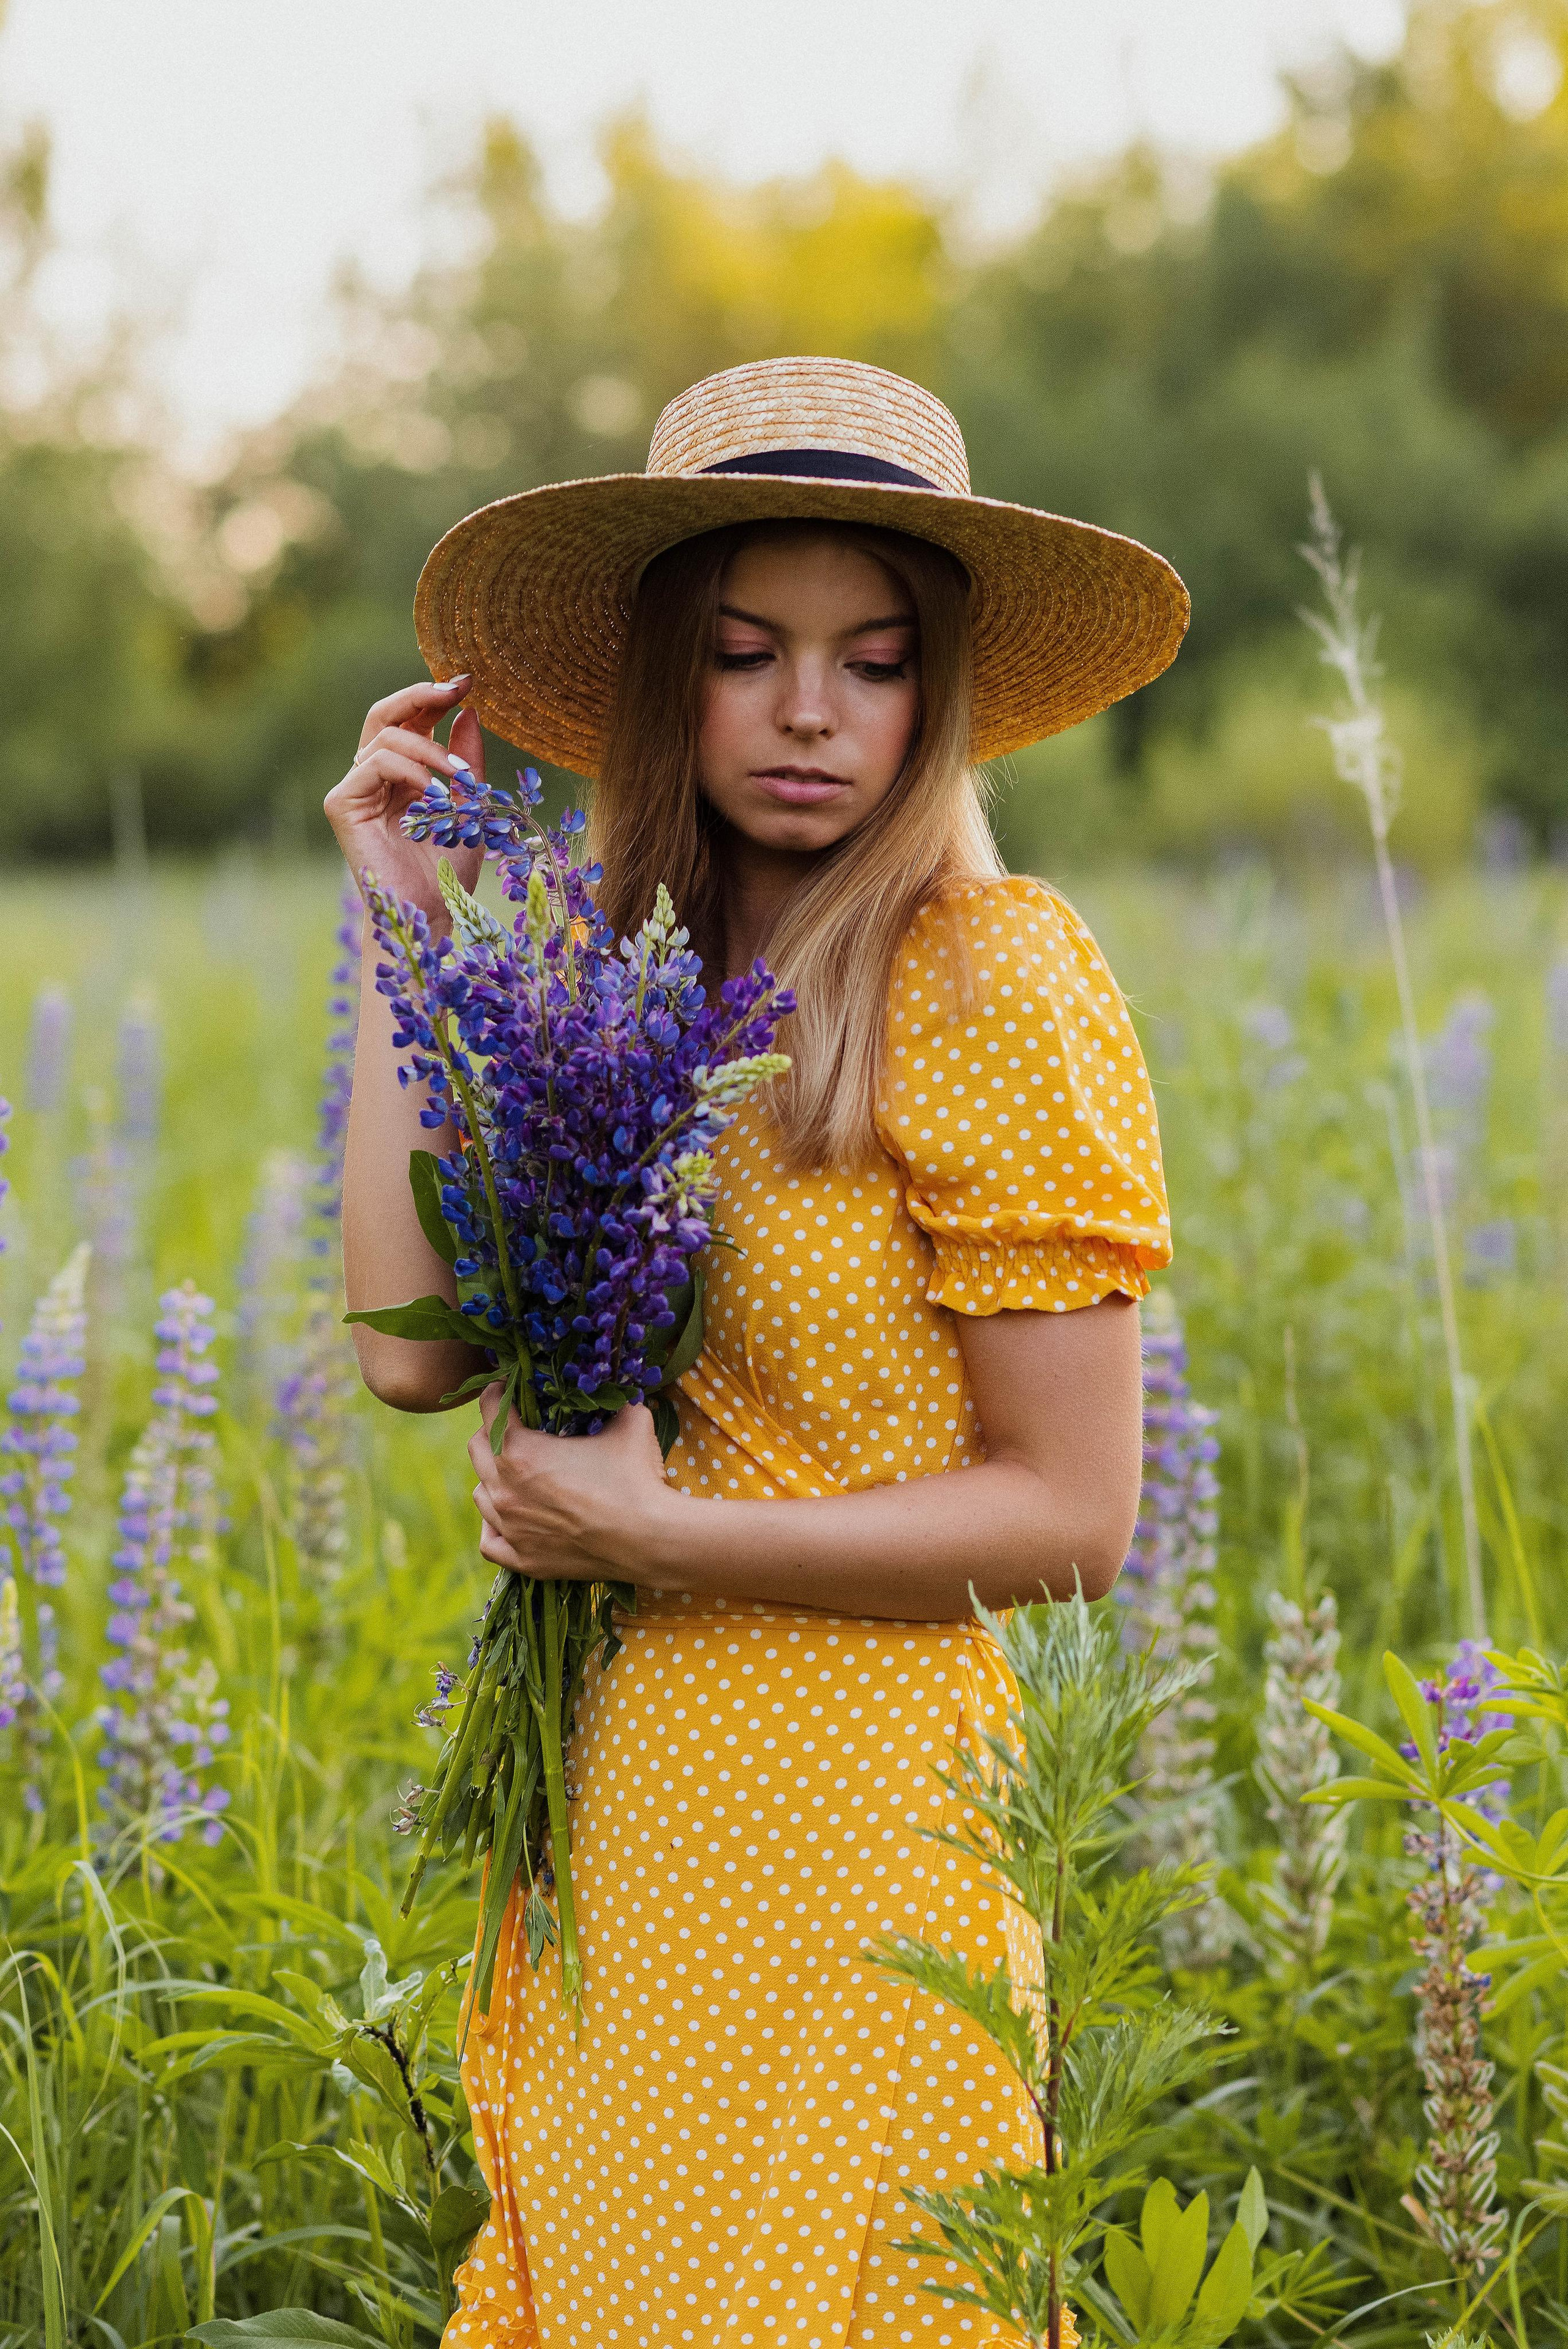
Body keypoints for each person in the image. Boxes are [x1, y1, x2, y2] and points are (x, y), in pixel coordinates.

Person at [325, 355, 1186, 2349]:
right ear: (666, 674)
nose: (812, 711)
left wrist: (660, 1534)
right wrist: (404, 923)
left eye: (875, 661)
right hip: (629, 1830)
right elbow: (411, 1357)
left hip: (872, 1834)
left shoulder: (987, 972)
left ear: (937, 692)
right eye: (747, 651)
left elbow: (1074, 1515)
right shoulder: (605, 969)